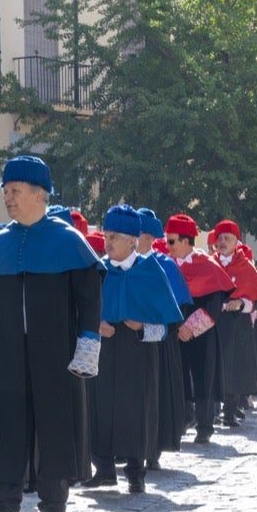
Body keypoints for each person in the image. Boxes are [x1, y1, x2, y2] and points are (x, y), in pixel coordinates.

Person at [0, 156, 103, 512]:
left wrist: (87, 344)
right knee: (5, 426)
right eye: (5, 192)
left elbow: (89, 300)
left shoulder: (69, 243)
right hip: (8, 355)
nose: (7, 198)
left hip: (56, 354)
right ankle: (4, 508)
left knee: (55, 427)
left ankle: (54, 508)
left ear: (39, 194)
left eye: (14, 191)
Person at [83, 206, 181, 493]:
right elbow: (81, 309)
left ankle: (136, 472)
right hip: (104, 350)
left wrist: (141, 329)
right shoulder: (97, 271)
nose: (107, 242)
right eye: (106, 235)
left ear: (132, 241)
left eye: (114, 236)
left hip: (138, 353)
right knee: (99, 407)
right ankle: (103, 469)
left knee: (135, 411)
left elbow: (170, 326)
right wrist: (96, 323)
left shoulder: (152, 272)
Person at [164, 214, 232, 444]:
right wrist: (177, 327)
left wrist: (190, 328)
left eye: (172, 241)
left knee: (203, 376)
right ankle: (182, 419)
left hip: (201, 332)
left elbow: (214, 304)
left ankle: (205, 425)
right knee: (178, 375)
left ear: (186, 241)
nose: (168, 246)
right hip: (175, 330)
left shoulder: (208, 266)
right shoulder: (166, 266)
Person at [136, 208, 190, 468]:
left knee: (156, 395)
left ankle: (153, 450)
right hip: (128, 341)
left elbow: (177, 309)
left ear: (148, 236)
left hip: (160, 341)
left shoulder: (165, 265)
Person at [209, 221, 257, 427]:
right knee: (214, 365)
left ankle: (231, 410)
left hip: (237, 324)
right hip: (214, 322)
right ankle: (212, 410)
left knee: (235, 366)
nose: (223, 242)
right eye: (220, 238)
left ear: (236, 241)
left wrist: (242, 303)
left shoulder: (246, 266)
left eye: (228, 238)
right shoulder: (210, 264)